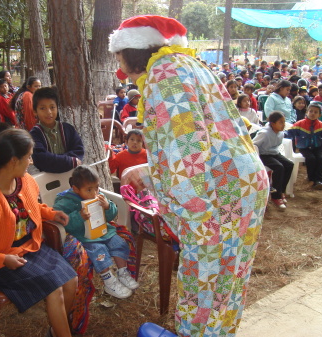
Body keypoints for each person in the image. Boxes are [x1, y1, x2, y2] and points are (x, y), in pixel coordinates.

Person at [109, 15, 268, 336]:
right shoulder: (186, 65)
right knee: (231, 274)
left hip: (215, 192)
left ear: (132, 50)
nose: (117, 60)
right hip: (243, 182)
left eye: (118, 53)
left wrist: (190, 218)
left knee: (204, 280)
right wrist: (151, 170)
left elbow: (186, 154)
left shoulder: (163, 77)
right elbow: (195, 134)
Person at [0, 129, 77, 337]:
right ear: (12, 161)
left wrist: (50, 214)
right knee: (55, 290)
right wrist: (1, 259)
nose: (32, 161)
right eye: (28, 156)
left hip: (29, 249)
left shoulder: (25, 181)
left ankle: (56, 330)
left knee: (71, 281)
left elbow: (31, 206)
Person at [53, 165, 138, 299]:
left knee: (119, 243)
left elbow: (111, 215)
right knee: (99, 250)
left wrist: (108, 207)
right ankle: (109, 281)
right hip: (85, 237)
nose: (94, 193)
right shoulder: (65, 202)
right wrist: (78, 217)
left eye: (96, 187)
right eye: (89, 189)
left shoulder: (99, 196)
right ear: (75, 189)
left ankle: (123, 272)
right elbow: (64, 223)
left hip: (104, 231)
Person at [29, 87, 84, 174]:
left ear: (57, 108)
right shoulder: (34, 135)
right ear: (35, 111)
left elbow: (78, 152)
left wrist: (53, 160)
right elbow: (41, 159)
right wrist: (70, 161)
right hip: (47, 183)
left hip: (70, 179)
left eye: (52, 107)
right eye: (43, 108)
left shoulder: (68, 129)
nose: (49, 112)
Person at [253, 111, 294, 210]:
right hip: (264, 154)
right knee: (279, 167)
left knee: (289, 164)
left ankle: (281, 191)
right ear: (272, 123)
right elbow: (253, 144)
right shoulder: (264, 133)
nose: (283, 125)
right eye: (280, 122)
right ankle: (275, 197)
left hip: (275, 153)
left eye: (284, 122)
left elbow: (276, 147)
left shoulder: (281, 133)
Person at [286, 102, 322, 189]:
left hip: (317, 147)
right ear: (307, 112)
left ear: (319, 114)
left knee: (320, 158)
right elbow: (289, 133)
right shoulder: (300, 124)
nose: (313, 113)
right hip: (304, 148)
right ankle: (312, 179)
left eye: (316, 112)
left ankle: (320, 181)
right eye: (311, 111)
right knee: (311, 158)